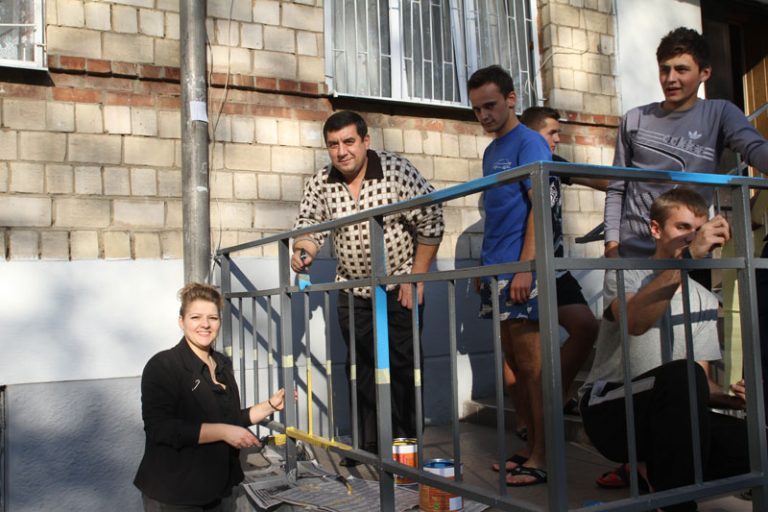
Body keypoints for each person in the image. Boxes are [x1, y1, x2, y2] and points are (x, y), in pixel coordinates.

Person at [581, 189, 750, 511]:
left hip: (668, 415)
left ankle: (657, 481)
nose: (692, 237)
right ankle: (674, 503)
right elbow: (635, 322)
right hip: (610, 409)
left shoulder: (703, 299)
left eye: (698, 230)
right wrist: (686, 259)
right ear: (656, 229)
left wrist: (734, 398)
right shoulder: (625, 273)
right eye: (682, 227)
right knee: (681, 374)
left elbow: (699, 383)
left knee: (754, 443)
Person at [291, 111, 444, 465]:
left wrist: (416, 277)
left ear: (365, 141)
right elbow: (310, 224)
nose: (341, 151)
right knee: (359, 367)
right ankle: (366, 446)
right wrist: (303, 251)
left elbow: (432, 219)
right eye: (333, 144)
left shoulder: (395, 170)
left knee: (403, 366)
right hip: (353, 289)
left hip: (399, 286)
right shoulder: (321, 182)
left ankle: (405, 448)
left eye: (349, 142)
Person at [604, 26, 768, 260]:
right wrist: (611, 246)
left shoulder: (720, 113)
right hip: (632, 256)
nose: (671, 79)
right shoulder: (634, 119)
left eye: (681, 69)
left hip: (689, 255)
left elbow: (755, 149)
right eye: (665, 70)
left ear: (705, 73)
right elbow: (617, 187)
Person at [467, 65, 551, 486]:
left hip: (522, 269)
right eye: (477, 109)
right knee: (513, 366)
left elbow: (541, 207)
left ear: (511, 99)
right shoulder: (491, 151)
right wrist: (486, 266)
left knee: (533, 368)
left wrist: (524, 266)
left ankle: (543, 456)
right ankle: (529, 446)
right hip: (496, 268)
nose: (484, 115)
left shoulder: (531, 142)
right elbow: (497, 213)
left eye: (491, 105)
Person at [134, 282, 286, 511]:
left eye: (212, 318)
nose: (205, 324)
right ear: (181, 321)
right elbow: (161, 429)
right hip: (175, 494)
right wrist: (224, 432)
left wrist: (269, 406)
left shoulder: (222, 363)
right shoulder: (163, 365)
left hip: (218, 490)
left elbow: (229, 420)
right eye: (196, 317)